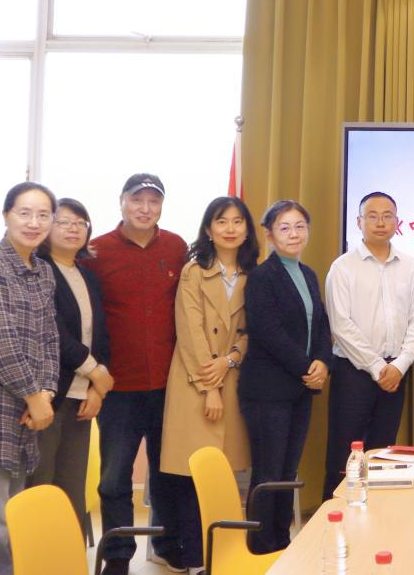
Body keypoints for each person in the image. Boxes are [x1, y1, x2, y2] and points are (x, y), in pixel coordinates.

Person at [83, 173, 190, 575]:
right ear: (122, 202)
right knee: (115, 478)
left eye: (153, 201)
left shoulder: (176, 247)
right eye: (137, 200)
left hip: (167, 384)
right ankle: (118, 556)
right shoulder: (97, 251)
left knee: (167, 473)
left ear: (161, 206)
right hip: (117, 386)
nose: (145, 209)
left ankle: (166, 543)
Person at [0, 182, 59, 575]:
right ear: (6, 215)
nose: (33, 222)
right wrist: (34, 395)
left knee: (11, 517)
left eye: (43, 215)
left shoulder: (43, 272)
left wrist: (46, 393)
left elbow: (50, 339)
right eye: (24, 213)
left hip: (26, 411)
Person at [160, 196, 258, 570]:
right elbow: (190, 332)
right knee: (193, 474)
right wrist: (209, 386)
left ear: (247, 229)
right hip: (194, 381)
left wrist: (230, 359)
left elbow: (252, 331)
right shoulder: (194, 272)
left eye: (237, 221)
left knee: (224, 475)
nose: (230, 228)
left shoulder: (253, 274)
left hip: (233, 378)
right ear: (208, 229)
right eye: (221, 221)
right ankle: (196, 560)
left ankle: (225, 556)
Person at [239, 200, 332, 554]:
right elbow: (268, 332)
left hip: (299, 389)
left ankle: (282, 543)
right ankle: (261, 547)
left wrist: (323, 362)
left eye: (299, 226)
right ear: (269, 235)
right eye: (284, 227)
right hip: (267, 390)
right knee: (269, 472)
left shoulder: (308, 274)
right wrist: (308, 368)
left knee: (288, 471)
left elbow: (320, 325)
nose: (294, 234)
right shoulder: (262, 277)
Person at [324, 191, 414, 500]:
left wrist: (399, 365)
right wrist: (378, 367)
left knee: (382, 451)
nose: (380, 222)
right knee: (344, 454)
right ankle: (334, 515)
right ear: (359, 222)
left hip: (396, 373)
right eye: (372, 216)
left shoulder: (410, 267)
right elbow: (341, 325)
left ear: (397, 222)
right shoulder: (343, 267)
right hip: (353, 373)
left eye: (387, 216)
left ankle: (379, 515)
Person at [30, 198, 113, 538]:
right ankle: (37, 559)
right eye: (63, 222)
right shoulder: (39, 270)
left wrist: (96, 389)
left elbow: (102, 334)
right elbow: (54, 332)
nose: (73, 229)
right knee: (41, 484)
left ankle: (68, 559)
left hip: (81, 397)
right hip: (49, 393)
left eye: (80, 223)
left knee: (72, 488)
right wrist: (95, 372)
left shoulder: (87, 276)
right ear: (48, 228)